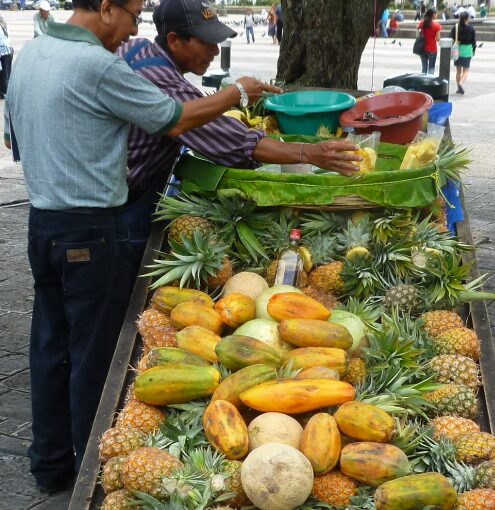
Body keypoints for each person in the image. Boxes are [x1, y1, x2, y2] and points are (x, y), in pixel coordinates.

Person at [4, 0, 281, 494]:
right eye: (133, 15)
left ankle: (50, 466)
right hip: (92, 228)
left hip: (44, 222)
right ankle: (94, 471)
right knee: (96, 353)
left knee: (50, 344)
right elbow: (173, 120)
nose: (135, 29)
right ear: (106, 8)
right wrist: (235, 91)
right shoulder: (96, 64)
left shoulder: (33, 52)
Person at [117, 0, 362, 282]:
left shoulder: (136, 49)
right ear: (174, 40)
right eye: (206, 42)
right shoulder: (162, 83)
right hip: (126, 205)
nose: (214, 51)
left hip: (113, 187)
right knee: (121, 287)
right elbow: (236, 141)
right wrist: (310, 153)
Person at [450, 11, 477, 94]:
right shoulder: (471, 28)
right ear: (467, 18)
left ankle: (458, 87)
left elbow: (450, 38)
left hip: (457, 50)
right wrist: (474, 50)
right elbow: (473, 41)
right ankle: (461, 84)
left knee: (458, 71)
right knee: (465, 71)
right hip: (467, 50)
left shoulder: (456, 27)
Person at [417, 8, 441, 75]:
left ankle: (423, 82)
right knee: (431, 67)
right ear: (433, 15)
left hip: (422, 48)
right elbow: (438, 39)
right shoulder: (437, 26)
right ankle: (429, 83)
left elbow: (417, 28)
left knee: (424, 67)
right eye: (436, 14)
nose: (436, 16)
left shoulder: (423, 22)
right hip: (432, 49)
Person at [0, 14, 12, 98]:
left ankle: (5, 93)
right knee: (6, 74)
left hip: (4, 51)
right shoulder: (3, 23)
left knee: (4, 74)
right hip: (8, 50)